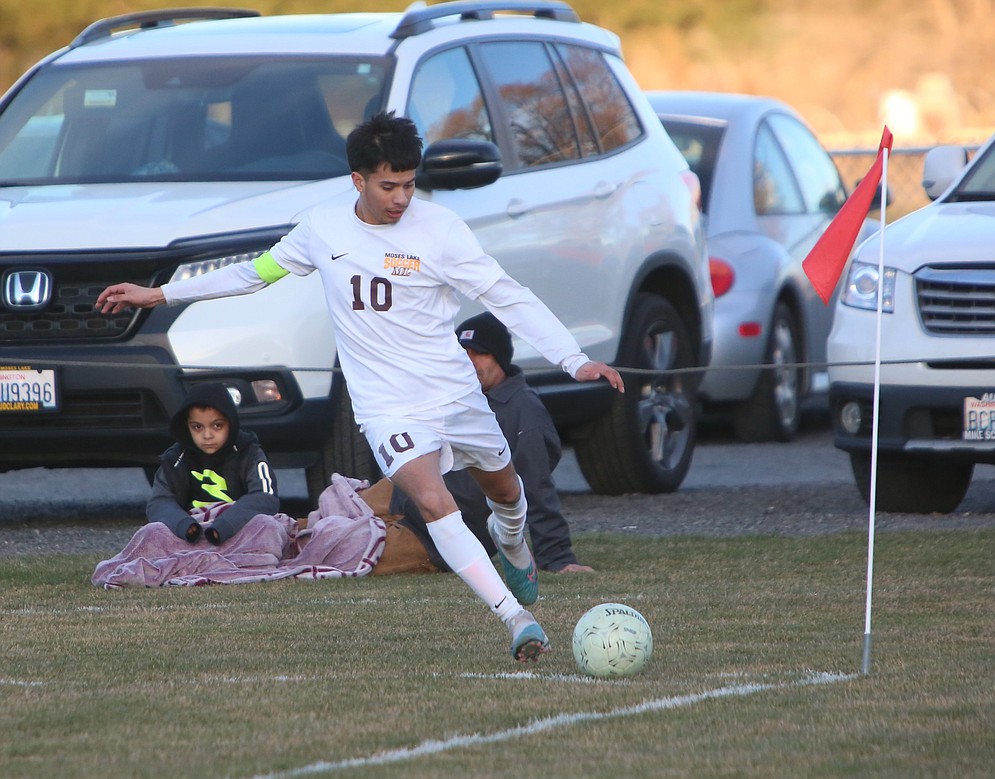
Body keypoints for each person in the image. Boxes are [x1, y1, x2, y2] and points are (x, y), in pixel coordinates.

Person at [96, 112, 624, 664]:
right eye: (388, 185)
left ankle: (513, 543)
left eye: (410, 184)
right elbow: (256, 272)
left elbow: (507, 295)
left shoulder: (441, 231)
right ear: (358, 180)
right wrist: (159, 295)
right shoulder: (322, 230)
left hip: (454, 393)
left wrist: (573, 359)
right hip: (387, 406)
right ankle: (516, 619)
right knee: (431, 498)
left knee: (506, 492)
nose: (401, 198)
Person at [378, 312, 593, 575]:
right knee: (326, 516)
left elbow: (538, 489)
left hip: (434, 534)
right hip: (402, 491)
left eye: (479, 353)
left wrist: (557, 558)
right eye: (462, 352)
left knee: (336, 550)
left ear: (500, 357)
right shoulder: (452, 396)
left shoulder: (524, 413)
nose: (468, 361)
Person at [147, 382, 279, 545]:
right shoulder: (175, 458)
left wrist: (224, 525)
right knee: (150, 532)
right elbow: (159, 502)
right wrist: (184, 525)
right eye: (197, 427)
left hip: (237, 529)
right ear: (186, 426)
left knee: (268, 526)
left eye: (217, 426)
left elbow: (265, 497)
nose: (207, 435)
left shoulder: (248, 453)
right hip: (190, 532)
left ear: (231, 423)